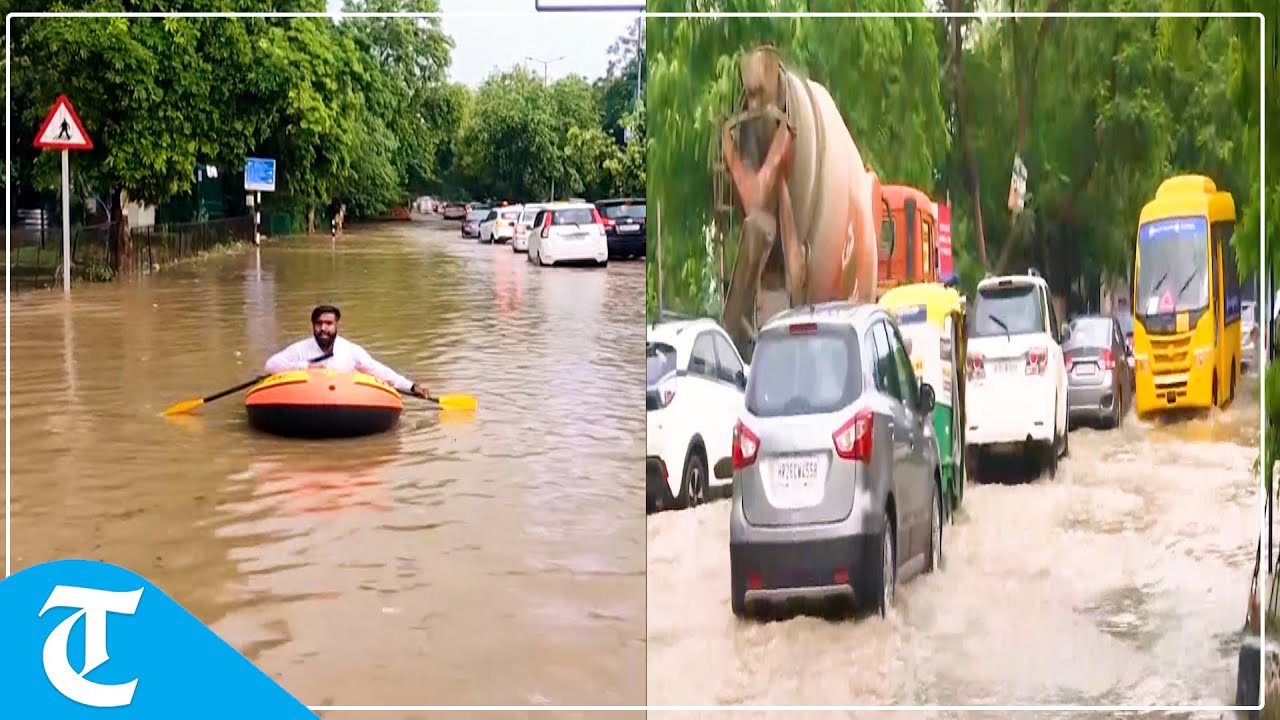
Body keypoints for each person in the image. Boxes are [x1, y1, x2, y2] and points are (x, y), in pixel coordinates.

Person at [264, 304, 429, 398]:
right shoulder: (300, 349)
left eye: (328, 323)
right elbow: (271, 365)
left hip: (343, 400)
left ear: (336, 325)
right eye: (318, 323)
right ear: (313, 325)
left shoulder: (350, 350)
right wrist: (305, 367)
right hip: (308, 398)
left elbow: (378, 370)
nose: (323, 328)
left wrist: (411, 386)